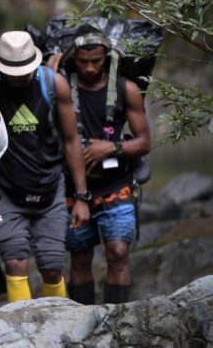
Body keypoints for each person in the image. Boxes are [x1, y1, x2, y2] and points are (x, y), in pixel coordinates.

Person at [0, 31, 90, 302]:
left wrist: (81, 197)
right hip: (7, 188)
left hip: (50, 186)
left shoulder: (53, 84)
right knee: (14, 262)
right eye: (12, 72)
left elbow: (71, 140)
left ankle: (56, 329)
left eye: (24, 71)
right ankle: (19, 333)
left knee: (52, 265)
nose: (19, 77)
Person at [59, 26, 151, 305]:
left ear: (107, 58)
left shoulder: (127, 88)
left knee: (119, 252)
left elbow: (145, 142)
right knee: (81, 255)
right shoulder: (61, 85)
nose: (89, 68)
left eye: (96, 61)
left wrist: (111, 147)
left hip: (117, 184)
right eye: (83, 61)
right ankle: (81, 324)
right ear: (73, 57)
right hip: (72, 189)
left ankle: (119, 323)